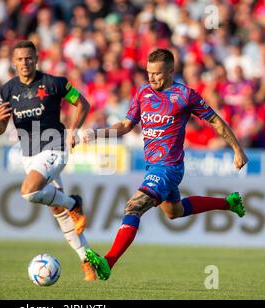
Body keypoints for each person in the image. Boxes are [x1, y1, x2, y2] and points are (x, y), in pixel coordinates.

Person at [82, 49, 249, 280]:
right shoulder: (142, 92)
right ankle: (229, 203)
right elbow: (125, 125)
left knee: (133, 208)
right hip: (153, 166)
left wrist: (237, 149)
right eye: (149, 73)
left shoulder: (184, 95)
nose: (152, 78)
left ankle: (108, 262)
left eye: (158, 74)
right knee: (174, 211)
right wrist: (96, 134)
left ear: (171, 71)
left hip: (169, 167)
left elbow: (215, 121)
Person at [0, 40, 96, 281]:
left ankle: (73, 203)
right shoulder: (7, 90)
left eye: (29, 58)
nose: (24, 63)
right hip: (29, 155)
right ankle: (87, 260)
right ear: (14, 62)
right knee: (58, 212)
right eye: (19, 59)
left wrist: (72, 130)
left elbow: (83, 104)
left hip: (55, 147)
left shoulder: (55, 83)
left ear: (36, 59)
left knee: (28, 191)